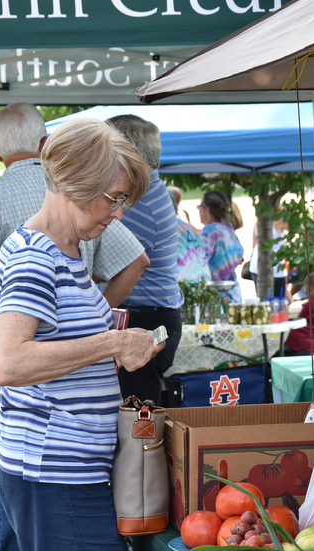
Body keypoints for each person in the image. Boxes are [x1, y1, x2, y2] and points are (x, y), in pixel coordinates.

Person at [0, 103, 149, 551]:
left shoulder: (67, 250)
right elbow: (8, 363)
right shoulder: (40, 255)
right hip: (56, 471)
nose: (117, 213)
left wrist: (110, 337)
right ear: (76, 184)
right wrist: (110, 344)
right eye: (113, 199)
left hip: (58, 467)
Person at [107, 114, 184, 404]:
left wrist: (96, 311)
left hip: (145, 316)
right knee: (137, 414)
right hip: (152, 313)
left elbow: (118, 265)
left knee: (135, 420)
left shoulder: (138, 202)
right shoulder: (146, 192)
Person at [199, 191, 244, 303]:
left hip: (215, 296)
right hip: (233, 293)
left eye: (199, 207)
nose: (198, 210)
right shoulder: (228, 228)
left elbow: (199, 261)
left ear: (207, 209)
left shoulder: (210, 231)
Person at [284, 270, 314, 355]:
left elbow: (298, 321)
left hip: (299, 345)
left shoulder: (311, 305)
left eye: (309, 290)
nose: (305, 293)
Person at [249, 218, 289, 298]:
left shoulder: (258, 221)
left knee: (264, 300)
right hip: (274, 267)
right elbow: (298, 228)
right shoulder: (280, 219)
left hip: (257, 265)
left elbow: (254, 245)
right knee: (278, 302)